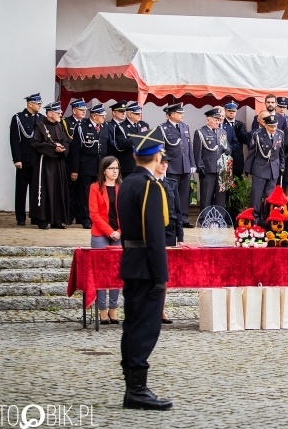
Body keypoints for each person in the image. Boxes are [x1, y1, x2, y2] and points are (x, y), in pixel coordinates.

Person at [117, 126, 173, 411]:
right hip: (146, 267)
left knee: (132, 326)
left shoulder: (127, 183)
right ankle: (137, 390)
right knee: (145, 328)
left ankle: (132, 387)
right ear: (155, 157)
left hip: (131, 262)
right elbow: (154, 235)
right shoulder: (150, 186)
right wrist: (161, 277)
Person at [88, 156, 122, 325]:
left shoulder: (121, 187)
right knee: (101, 272)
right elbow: (94, 214)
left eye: (116, 168)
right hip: (100, 234)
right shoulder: (95, 188)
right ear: (103, 170)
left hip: (119, 234)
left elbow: (128, 212)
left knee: (116, 273)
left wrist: (119, 231)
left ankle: (113, 308)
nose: (114, 171)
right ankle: (102, 310)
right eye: (111, 168)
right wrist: (109, 232)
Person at [67, 103, 108, 229]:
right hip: (86, 166)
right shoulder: (82, 127)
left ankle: (98, 218)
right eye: (101, 116)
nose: (104, 118)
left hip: (100, 167)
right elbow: (75, 151)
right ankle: (85, 218)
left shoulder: (104, 127)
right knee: (86, 194)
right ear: (94, 116)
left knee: (99, 193)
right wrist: (75, 169)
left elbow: (107, 147)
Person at [30, 102, 70, 230]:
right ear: (49, 113)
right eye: (58, 112)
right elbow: (36, 144)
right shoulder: (40, 126)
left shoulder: (59, 125)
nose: (60, 114)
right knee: (46, 190)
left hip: (58, 163)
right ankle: (42, 219)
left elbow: (66, 141)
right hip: (45, 163)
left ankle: (57, 220)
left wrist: (63, 149)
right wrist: (53, 148)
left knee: (58, 190)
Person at [154, 153, 183, 325]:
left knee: (164, 274)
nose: (164, 165)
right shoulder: (148, 183)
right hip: (152, 231)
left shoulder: (171, 183)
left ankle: (161, 309)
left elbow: (178, 211)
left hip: (169, 232)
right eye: (161, 162)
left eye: (166, 163)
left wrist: (180, 236)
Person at [159, 102, 196, 228]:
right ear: (172, 114)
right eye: (180, 113)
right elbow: (162, 148)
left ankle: (184, 219)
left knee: (184, 194)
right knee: (171, 194)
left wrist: (192, 163)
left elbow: (189, 147)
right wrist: (163, 165)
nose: (182, 116)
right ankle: (172, 218)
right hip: (172, 166)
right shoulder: (163, 128)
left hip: (185, 165)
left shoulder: (185, 127)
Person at [245, 114, 285, 224]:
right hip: (260, 168)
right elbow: (252, 152)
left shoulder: (280, 134)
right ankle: (255, 218)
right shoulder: (258, 135)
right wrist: (247, 168)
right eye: (271, 126)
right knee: (256, 195)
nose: (273, 129)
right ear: (265, 125)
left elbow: (281, 152)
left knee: (270, 196)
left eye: (275, 126)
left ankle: (268, 217)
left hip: (274, 169)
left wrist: (282, 165)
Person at [10, 93, 43, 226]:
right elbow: (14, 140)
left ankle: (35, 216)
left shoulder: (41, 118)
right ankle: (20, 217)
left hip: (38, 159)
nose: (40, 106)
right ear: (30, 104)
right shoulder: (18, 118)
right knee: (22, 189)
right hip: (24, 159)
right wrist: (17, 159)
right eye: (38, 103)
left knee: (36, 190)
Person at [194, 108, 232, 211]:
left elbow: (226, 146)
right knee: (206, 197)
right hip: (207, 169)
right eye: (215, 120)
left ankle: (220, 219)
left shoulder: (222, 132)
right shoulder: (201, 132)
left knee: (221, 198)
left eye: (219, 120)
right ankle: (205, 219)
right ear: (208, 120)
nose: (218, 122)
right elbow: (197, 152)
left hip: (221, 170)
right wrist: (200, 166)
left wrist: (228, 150)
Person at [63, 99, 88, 225]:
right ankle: (68, 215)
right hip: (70, 160)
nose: (84, 112)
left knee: (81, 192)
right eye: (81, 110)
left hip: (83, 162)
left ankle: (79, 216)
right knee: (70, 191)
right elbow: (68, 141)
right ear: (74, 110)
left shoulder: (85, 124)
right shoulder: (66, 122)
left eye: (85, 110)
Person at [122, 102, 151, 175]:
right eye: (137, 114)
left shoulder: (143, 125)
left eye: (140, 113)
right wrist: (138, 138)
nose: (139, 115)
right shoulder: (121, 126)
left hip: (143, 162)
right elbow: (122, 143)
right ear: (129, 114)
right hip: (129, 164)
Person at [107, 101, 134, 177]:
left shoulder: (125, 126)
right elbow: (110, 141)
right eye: (120, 111)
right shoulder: (109, 125)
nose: (123, 113)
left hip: (126, 159)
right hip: (114, 156)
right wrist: (121, 146)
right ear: (114, 113)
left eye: (124, 111)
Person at [222, 101, 248, 178]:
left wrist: (240, 131)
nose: (231, 113)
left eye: (233, 111)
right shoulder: (221, 123)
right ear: (225, 111)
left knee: (238, 182)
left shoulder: (240, 124)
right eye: (229, 111)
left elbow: (246, 140)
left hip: (238, 158)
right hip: (226, 156)